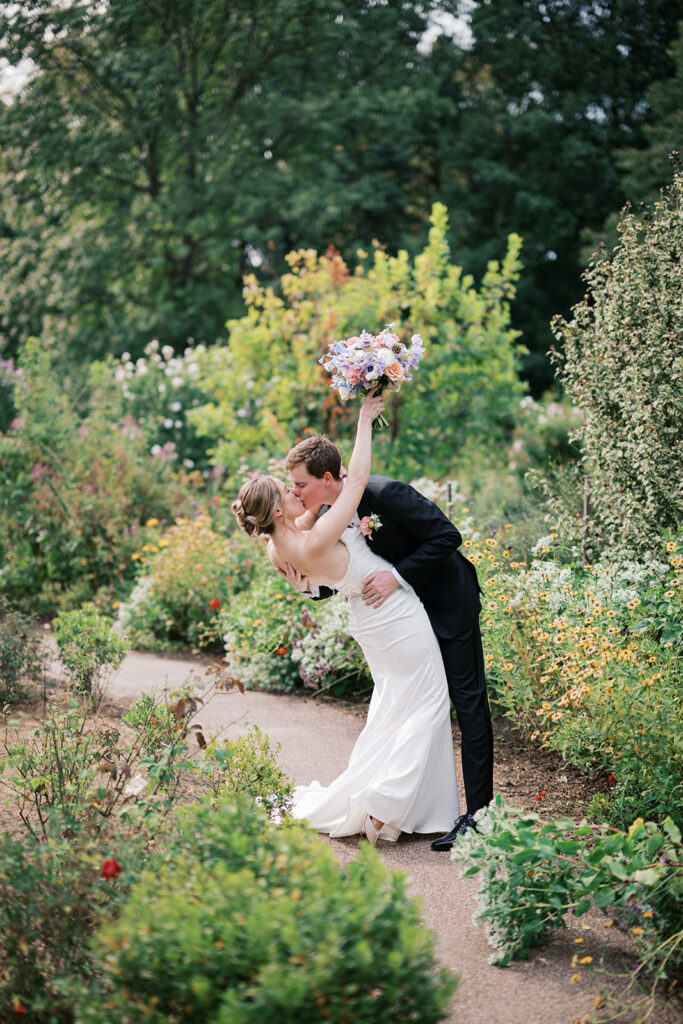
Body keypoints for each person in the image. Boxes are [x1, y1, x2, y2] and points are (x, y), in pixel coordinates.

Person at [231, 393, 459, 844]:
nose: (295, 492)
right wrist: (363, 421)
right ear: (277, 509)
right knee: (430, 703)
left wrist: (305, 504)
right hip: (393, 615)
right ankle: (384, 802)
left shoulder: (281, 546)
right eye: (287, 490)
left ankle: (390, 804)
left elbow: (308, 524)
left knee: (394, 707)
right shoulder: (314, 539)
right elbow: (354, 482)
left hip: (369, 623)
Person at [282, 431, 493, 852]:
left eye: (301, 484)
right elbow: (350, 571)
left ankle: (480, 819)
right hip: (403, 622)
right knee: (415, 705)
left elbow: (448, 537)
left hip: (447, 605)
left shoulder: (386, 493)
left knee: (468, 705)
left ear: (327, 477)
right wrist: (309, 588)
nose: (296, 492)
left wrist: (397, 578)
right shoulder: (335, 511)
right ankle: (417, 804)